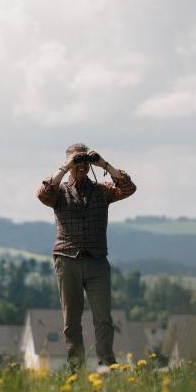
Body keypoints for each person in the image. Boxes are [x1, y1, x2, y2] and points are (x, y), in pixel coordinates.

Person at [37, 144, 136, 369]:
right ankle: (76, 368)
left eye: (84, 162)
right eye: (76, 162)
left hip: (97, 260)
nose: (81, 166)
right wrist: (66, 167)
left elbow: (129, 188)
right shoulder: (59, 191)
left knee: (103, 317)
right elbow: (43, 194)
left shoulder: (102, 190)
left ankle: (106, 365)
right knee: (71, 320)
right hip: (66, 259)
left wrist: (103, 164)